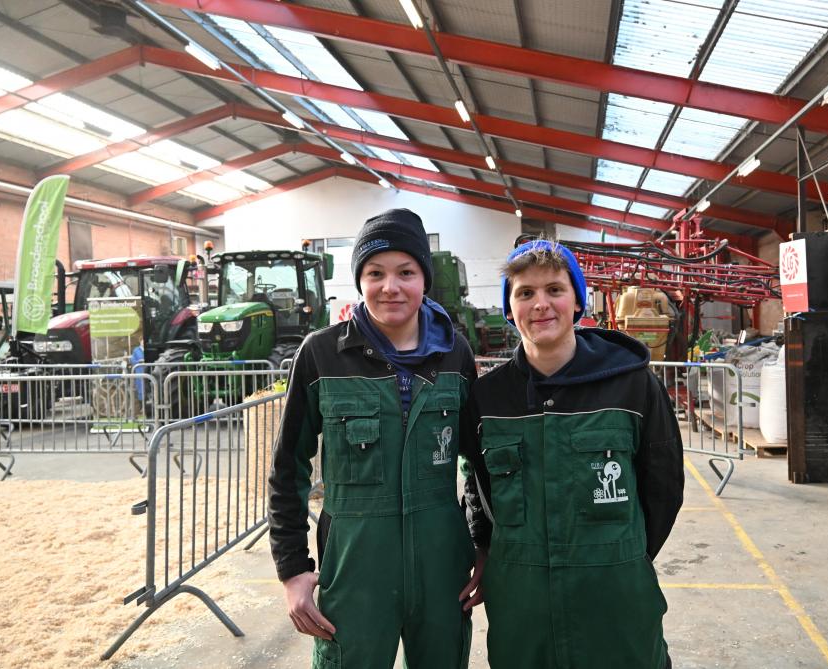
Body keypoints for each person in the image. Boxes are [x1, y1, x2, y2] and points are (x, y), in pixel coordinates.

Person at [459, 239, 684, 669]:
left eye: (554, 290)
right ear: (510, 309)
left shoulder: (633, 385)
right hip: (521, 607)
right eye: (525, 293)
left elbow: (664, 488)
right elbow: (478, 484)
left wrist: (622, 558)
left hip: (615, 599)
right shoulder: (488, 397)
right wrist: (485, 548)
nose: (540, 304)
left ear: (577, 301)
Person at [268, 208, 478, 668]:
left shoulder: (455, 353)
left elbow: (477, 462)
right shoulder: (321, 354)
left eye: (406, 272)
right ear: (359, 280)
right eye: (375, 273)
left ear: (424, 278)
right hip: (354, 567)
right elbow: (288, 469)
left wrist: (482, 545)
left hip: (442, 567)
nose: (391, 287)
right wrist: (293, 570)